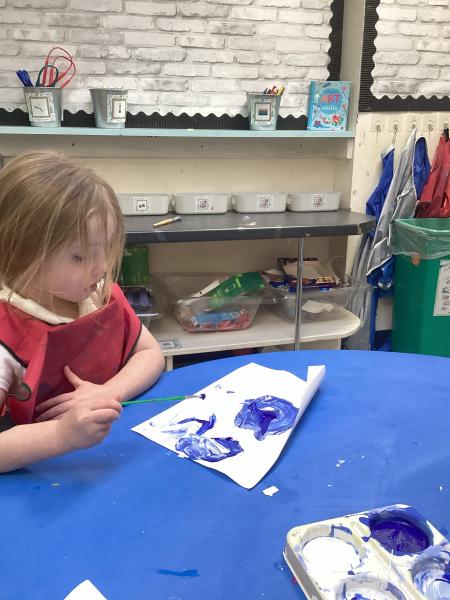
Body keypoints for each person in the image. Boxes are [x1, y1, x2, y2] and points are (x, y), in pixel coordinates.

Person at [0, 151, 165, 472]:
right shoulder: (6, 338)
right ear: (18, 251)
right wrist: (61, 435)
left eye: (105, 250)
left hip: (109, 461)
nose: (100, 268)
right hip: (39, 482)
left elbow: (150, 352)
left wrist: (108, 393)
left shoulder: (98, 296)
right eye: (80, 257)